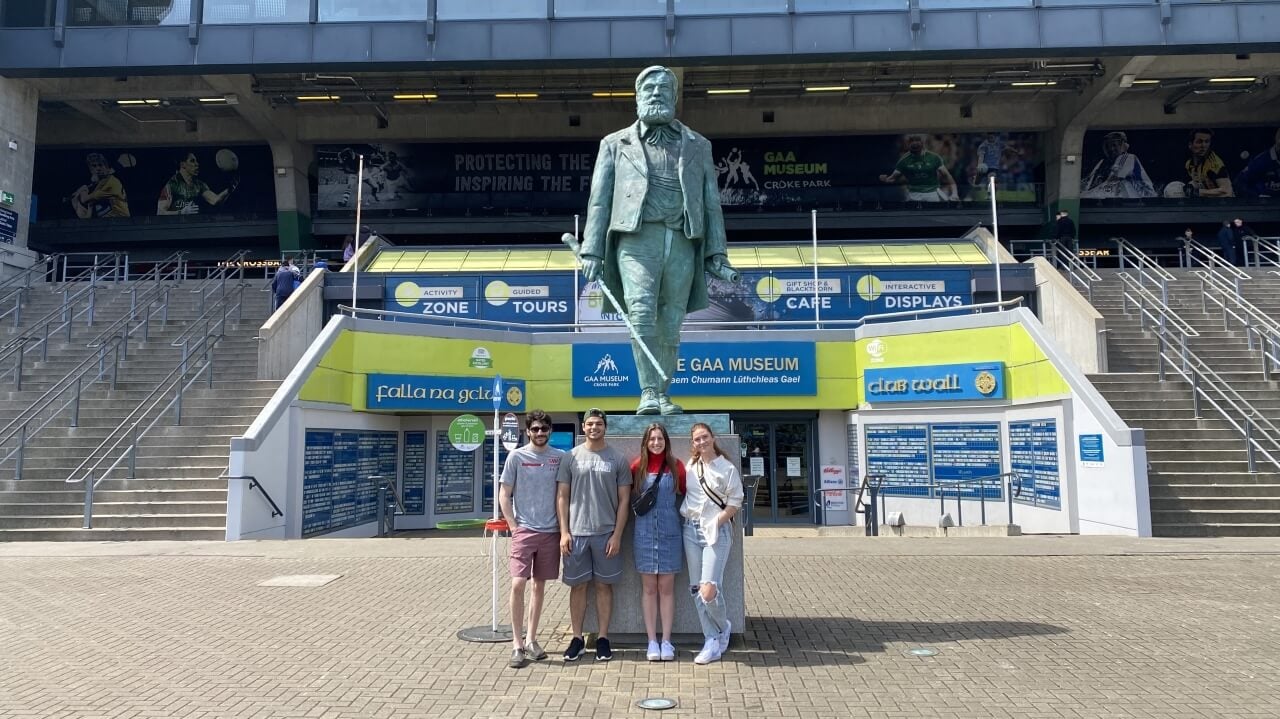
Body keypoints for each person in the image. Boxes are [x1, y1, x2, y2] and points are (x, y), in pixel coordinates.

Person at [577, 66, 740, 416]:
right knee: (640, 312)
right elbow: (600, 200)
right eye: (648, 88)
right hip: (636, 238)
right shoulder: (614, 144)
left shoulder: (699, 145)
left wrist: (717, 253)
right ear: (637, 96)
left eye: (665, 88)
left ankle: (663, 394)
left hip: (682, 238)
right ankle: (648, 391)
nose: (656, 93)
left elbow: (711, 202)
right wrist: (591, 249)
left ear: (675, 97)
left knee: (672, 320)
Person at [555, 409, 631, 662]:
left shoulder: (617, 459)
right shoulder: (570, 458)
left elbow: (624, 500)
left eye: (598, 423)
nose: (594, 427)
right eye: (589, 424)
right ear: (583, 428)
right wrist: (564, 532)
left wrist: (617, 535)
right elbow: (562, 497)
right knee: (577, 586)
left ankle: (603, 638)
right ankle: (577, 638)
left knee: (603, 586)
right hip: (576, 534)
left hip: (605, 533)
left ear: (605, 427)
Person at [498, 409, 566, 669]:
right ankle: (516, 643)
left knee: (539, 586)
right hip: (524, 531)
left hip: (551, 532)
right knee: (517, 584)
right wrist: (513, 527)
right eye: (535, 429)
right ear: (527, 431)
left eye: (544, 429)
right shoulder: (516, 457)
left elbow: (564, 494)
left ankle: (532, 639)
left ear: (550, 431)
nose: (540, 433)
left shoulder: (559, 458)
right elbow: (505, 494)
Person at [682, 422, 744, 665]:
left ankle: (722, 625)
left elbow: (736, 500)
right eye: (697, 439)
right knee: (697, 589)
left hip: (716, 532)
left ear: (712, 437)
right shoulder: (690, 466)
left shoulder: (726, 468)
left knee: (709, 589)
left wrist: (717, 521)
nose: (701, 442)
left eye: (704, 437)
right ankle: (711, 640)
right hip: (690, 529)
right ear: (693, 443)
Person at [629, 423, 686, 662]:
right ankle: (652, 640)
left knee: (667, 588)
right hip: (643, 533)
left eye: (660, 438)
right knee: (649, 588)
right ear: (645, 442)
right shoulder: (636, 467)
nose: (656, 443)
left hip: (670, 532)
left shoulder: (677, 466)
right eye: (652, 439)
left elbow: (684, 492)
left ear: (666, 441)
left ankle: (667, 641)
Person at [879, 134, 958, 203]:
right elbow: (893, 178)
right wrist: (886, 179)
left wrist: (954, 193)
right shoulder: (904, 161)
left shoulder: (934, 158)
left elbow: (948, 176)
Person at [1080, 131, 1156, 199]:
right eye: (1107, 146)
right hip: (1123, 203)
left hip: (1145, 201)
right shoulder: (1102, 163)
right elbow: (1089, 184)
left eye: (1114, 145)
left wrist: (1086, 196)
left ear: (1123, 145)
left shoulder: (1128, 157)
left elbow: (1112, 181)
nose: (1111, 149)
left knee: (1124, 183)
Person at [156, 151, 236, 215]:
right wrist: (182, 212)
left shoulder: (199, 184)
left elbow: (215, 200)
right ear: (183, 164)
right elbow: (160, 212)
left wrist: (228, 190)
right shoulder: (171, 185)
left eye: (196, 161)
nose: (197, 164)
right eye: (192, 161)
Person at [70, 152, 130, 219]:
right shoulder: (101, 182)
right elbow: (87, 215)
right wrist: (76, 202)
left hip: (121, 222)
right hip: (106, 222)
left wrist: (83, 189)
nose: (98, 168)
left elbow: (85, 199)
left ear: (106, 167)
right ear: (91, 169)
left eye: (100, 165)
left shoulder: (112, 183)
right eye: (94, 166)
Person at [1184, 129, 1234, 198]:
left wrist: (1198, 192)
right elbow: (1198, 184)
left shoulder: (1215, 164)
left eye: (1207, 142)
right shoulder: (1189, 164)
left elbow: (1228, 192)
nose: (1204, 145)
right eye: (1199, 142)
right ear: (1190, 145)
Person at [1234, 127, 1280, 198]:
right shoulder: (1261, 161)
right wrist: (1257, 196)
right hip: (1264, 205)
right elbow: (1238, 184)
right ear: (1277, 141)